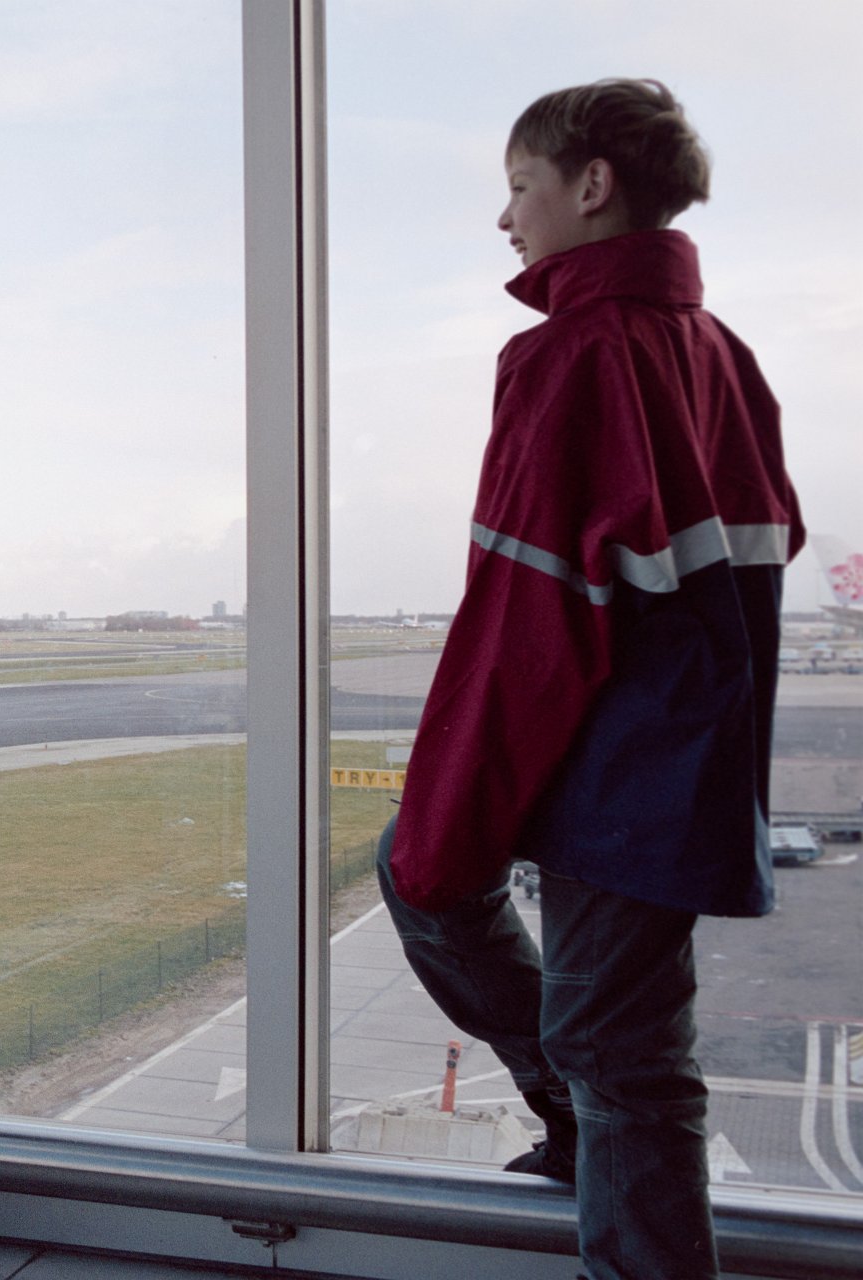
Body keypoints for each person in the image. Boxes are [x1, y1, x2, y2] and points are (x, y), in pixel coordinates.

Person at [378, 79, 801, 1280]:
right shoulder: (725, 356)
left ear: (594, 185)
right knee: (606, 1033)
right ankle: (571, 1108)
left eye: (521, 186)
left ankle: (588, 1141)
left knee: (624, 1059)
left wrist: (463, 798)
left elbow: (528, 617)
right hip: (674, 757)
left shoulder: (572, 354)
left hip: (617, 767)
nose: (505, 217)